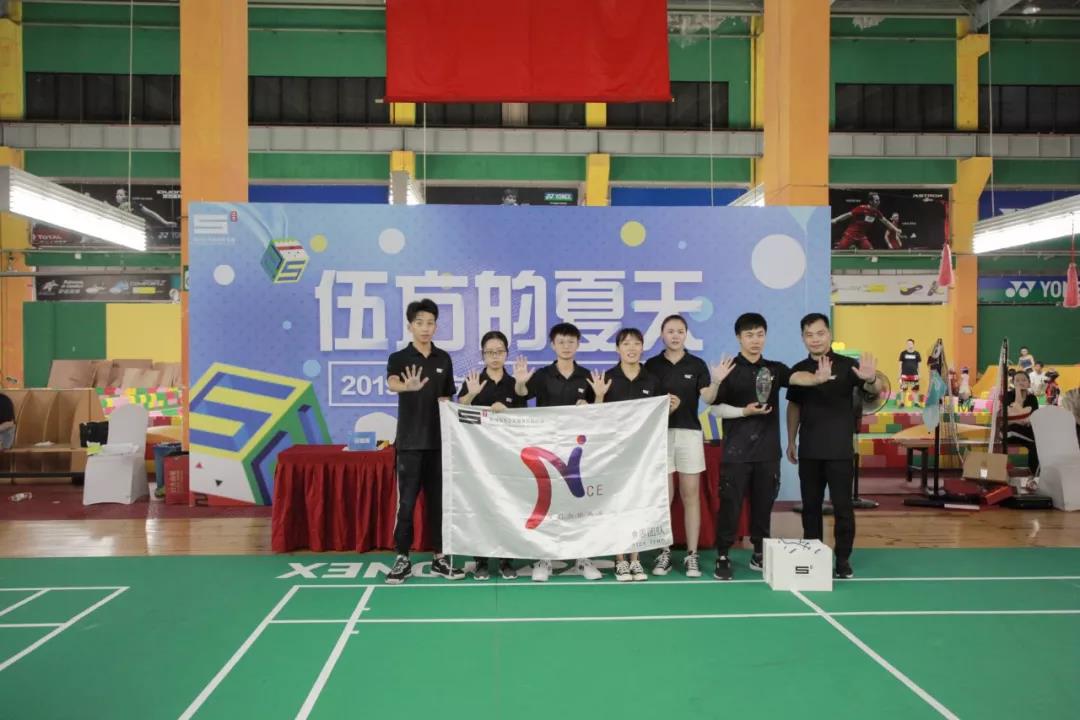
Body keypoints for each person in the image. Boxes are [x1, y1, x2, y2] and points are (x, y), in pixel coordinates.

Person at [710, 313, 834, 581]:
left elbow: (797, 377)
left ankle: (759, 552)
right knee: (730, 506)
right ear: (739, 338)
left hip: (767, 453)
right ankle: (723, 555)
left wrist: (817, 379)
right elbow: (715, 408)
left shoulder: (775, 369)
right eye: (749, 335)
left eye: (760, 334)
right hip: (736, 453)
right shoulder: (729, 369)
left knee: (763, 507)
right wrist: (742, 410)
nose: (755, 340)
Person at [785, 314, 882, 579]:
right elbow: (794, 407)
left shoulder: (849, 366)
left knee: (843, 508)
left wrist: (871, 379)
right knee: (811, 508)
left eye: (820, 333)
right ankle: (813, 558)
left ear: (829, 334)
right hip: (809, 450)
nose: (815, 339)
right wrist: (791, 440)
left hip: (840, 451)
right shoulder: (799, 371)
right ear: (803, 338)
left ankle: (842, 560)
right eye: (809, 335)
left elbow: (875, 391)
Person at [643, 315, 732, 578]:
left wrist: (716, 381)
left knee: (690, 495)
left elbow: (708, 398)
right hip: (659, 435)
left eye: (680, 331)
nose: (675, 335)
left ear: (686, 335)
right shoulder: (652, 365)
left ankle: (692, 555)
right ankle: (664, 552)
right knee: (664, 497)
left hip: (690, 434)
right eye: (670, 331)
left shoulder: (696, 364)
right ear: (662, 334)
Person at [385, 299, 465, 585]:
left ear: (436, 326)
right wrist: (406, 387)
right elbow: (392, 382)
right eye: (419, 322)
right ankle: (402, 558)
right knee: (406, 504)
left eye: (430, 323)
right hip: (409, 443)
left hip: (439, 443)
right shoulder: (399, 358)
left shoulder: (443, 359)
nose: (425, 328)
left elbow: (447, 398)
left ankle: (439, 558)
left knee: (438, 504)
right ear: (410, 326)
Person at [514, 322, 599, 582]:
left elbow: (599, 413)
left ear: (578, 344)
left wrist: (591, 404)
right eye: (561, 341)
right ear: (553, 345)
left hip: (577, 452)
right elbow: (522, 395)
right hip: (547, 449)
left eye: (571, 341)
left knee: (578, 504)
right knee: (547, 503)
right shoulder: (542, 375)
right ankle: (545, 559)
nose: (566, 346)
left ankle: (583, 558)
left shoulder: (587, 376)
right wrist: (520, 383)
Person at [593, 328, 678, 582]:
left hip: (643, 455)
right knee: (618, 504)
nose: (631, 348)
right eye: (626, 344)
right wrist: (599, 396)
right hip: (614, 452)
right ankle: (620, 560)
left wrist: (670, 408)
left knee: (638, 503)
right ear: (617, 349)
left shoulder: (652, 380)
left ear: (642, 347)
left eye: (636, 343)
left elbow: (657, 416)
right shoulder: (607, 378)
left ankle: (635, 558)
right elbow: (595, 417)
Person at [459, 330, 524, 581]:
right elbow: (458, 411)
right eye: (489, 352)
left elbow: (525, 419)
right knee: (481, 507)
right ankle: (482, 561)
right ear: (483, 355)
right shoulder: (474, 380)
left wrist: (506, 411)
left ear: (506, 354)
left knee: (508, 506)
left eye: (499, 352)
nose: (495, 356)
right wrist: (472, 395)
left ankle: (507, 560)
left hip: (508, 456)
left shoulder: (515, 383)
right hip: (478, 457)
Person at [832, 192, 903, 251]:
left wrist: (896, 229)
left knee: (871, 253)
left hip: (861, 237)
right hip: (850, 235)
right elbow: (848, 214)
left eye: (879, 200)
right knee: (839, 252)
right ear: (870, 202)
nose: (879, 202)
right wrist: (835, 220)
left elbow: (886, 222)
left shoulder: (876, 212)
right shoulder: (861, 208)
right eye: (876, 200)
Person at [1006, 370, 1040, 476]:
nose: (1021, 382)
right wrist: (1017, 391)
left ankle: (1034, 474)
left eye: (1024, 380)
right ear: (1013, 383)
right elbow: (1016, 409)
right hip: (1011, 431)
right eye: (1017, 380)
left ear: (1029, 383)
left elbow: (1034, 416)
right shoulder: (1008, 395)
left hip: (1025, 433)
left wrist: (1027, 421)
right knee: (1034, 440)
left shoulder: (1032, 398)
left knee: (1035, 445)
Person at [898, 339, 921, 408]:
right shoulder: (903, 353)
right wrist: (899, 374)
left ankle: (916, 403)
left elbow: (919, 365)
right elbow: (900, 364)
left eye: (910, 344)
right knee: (903, 389)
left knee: (915, 389)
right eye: (908, 344)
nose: (909, 345)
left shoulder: (917, 354)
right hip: (904, 374)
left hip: (914, 374)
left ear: (913, 345)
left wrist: (919, 374)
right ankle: (902, 403)